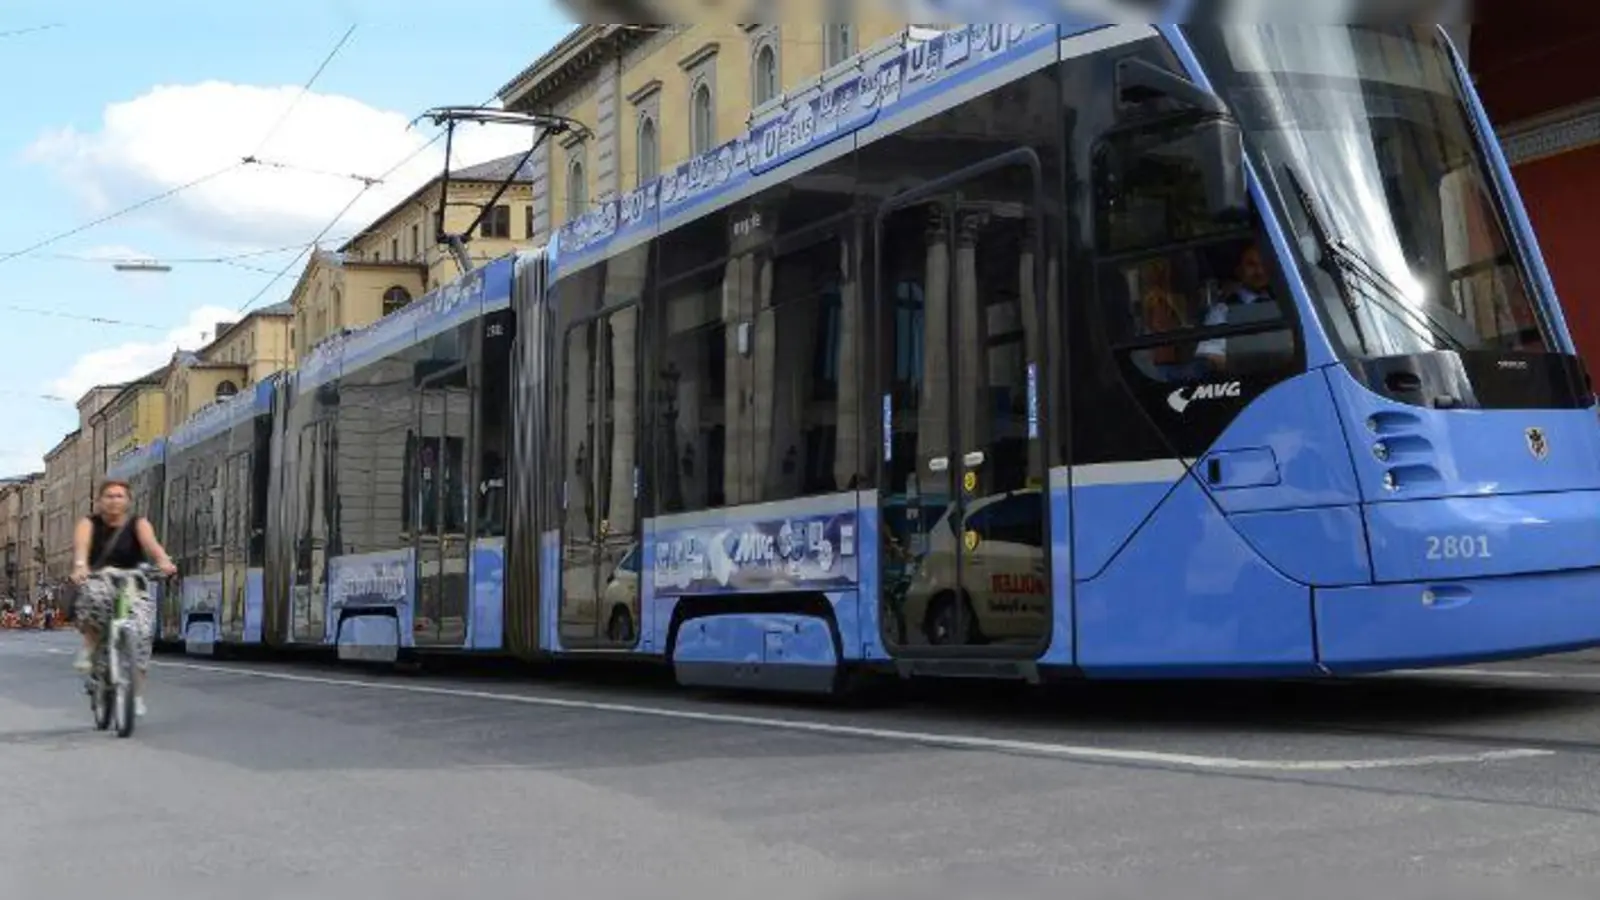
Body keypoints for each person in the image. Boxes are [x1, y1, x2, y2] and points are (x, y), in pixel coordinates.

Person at [69, 480, 177, 717]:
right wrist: (80, 566)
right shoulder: (89, 523)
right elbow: (81, 548)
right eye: (109, 496)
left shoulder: (138, 524)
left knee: (141, 634)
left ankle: (135, 696)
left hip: (132, 581)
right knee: (93, 597)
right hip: (99, 577)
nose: (114, 500)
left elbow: (152, 546)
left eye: (119, 496)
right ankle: (90, 648)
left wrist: (164, 562)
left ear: (128, 501)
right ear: (100, 501)